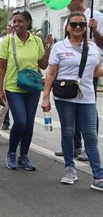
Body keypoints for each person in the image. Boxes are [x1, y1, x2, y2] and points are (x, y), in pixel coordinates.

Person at [42, 12, 103, 191]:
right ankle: (70, 168)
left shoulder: (92, 48)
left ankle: (98, 176)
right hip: (65, 97)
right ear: (67, 27)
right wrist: (45, 96)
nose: (78, 28)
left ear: (86, 28)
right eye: (74, 24)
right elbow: (51, 72)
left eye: (82, 25)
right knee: (68, 133)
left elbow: (95, 71)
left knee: (90, 136)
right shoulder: (59, 47)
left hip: (87, 98)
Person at [0, 9, 53, 170]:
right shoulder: (8, 41)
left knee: (28, 124)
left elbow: (42, 65)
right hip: (14, 87)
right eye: (14, 21)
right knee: (20, 121)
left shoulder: (36, 41)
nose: (16, 24)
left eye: (20, 21)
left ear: (28, 23)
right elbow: (1, 67)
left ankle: (24, 157)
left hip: (33, 88)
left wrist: (48, 47)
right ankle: (11, 153)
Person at [54, 0, 103, 161]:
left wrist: (94, 29)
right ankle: (74, 146)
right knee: (70, 104)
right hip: (69, 71)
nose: (66, 5)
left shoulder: (95, 15)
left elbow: (101, 44)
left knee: (88, 107)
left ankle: (89, 148)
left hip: (89, 67)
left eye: (68, 1)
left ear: (76, 0)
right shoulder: (68, 20)